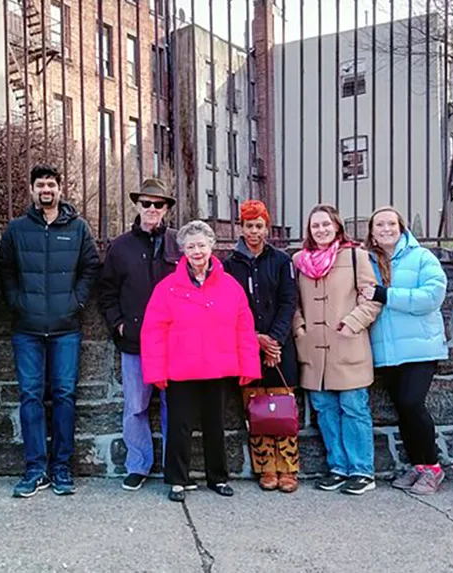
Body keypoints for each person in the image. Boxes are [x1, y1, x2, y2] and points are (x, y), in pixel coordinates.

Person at [0, 165, 101, 498]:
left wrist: (75, 302)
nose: (46, 189)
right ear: (31, 189)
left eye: (51, 184)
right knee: (29, 397)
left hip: (65, 329)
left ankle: (61, 469)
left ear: (60, 189)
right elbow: (5, 272)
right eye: (40, 184)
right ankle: (34, 469)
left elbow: (90, 269)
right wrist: (17, 302)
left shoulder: (78, 228)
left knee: (64, 397)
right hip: (27, 329)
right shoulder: (16, 230)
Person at [141, 220, 261, 502]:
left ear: (212, 247)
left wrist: (248, 367)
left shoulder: (230, 286)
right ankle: (177, 480)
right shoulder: (166, 288)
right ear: (183, 250)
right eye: (191, 246)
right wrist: (156, 371)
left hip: (218, 369)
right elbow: (153, 332)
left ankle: (217, 478)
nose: (197, 251)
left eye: (202, 245)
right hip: (180, 371)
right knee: (179, 426)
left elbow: (243, 328)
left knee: (215, 425)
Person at [98, 178, 180, 491]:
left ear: (166, 209)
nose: (151, 209)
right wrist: (119, 323)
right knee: (135, 406)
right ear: (137, 206)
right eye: (146, 203)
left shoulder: (178, 243)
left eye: (158, 204)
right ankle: (138, 465)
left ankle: (175, 467)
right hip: (134, 341)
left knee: (175, 405)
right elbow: (106, 291)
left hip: (174, 341)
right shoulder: (120, 247)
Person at [294, 205, 382, 495]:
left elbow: (371, 298)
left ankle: (361, 470)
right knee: (325, 410)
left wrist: (353, 323)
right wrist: (300, 329)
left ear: (336, 227)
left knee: (353, 408)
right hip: (313, 350)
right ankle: (338, 467)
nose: (320, 230)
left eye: (325, 224)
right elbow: (292, 302)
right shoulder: (299, 261)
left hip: (347, 343)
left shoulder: (356, 257)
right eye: (315, 225)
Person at [362, 206, 448, 495]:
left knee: (413, 404)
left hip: (419, 348)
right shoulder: (369, 261)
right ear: (371, 232)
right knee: (403, 409)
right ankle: (418, 465)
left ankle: (433, 467)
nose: (386, 229)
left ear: (401, 227)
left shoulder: (422, 257)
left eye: (391, 224)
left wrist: (387, 295)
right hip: (386, 350)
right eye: (379, 225)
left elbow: (432, 296)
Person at [224, 200, 301, 493]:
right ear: (241, 228)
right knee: (257, 409)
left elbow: (288, 301)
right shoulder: (230, 264)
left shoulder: (281, 261)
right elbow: (231, 307)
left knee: (282, 407)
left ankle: (288, 467)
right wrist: (255, 338)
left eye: (258, 226)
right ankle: (266, 467)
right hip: (247, 345)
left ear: (266, 228)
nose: (253, 232)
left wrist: (275, 341)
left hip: (280, 347)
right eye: (248, 226)